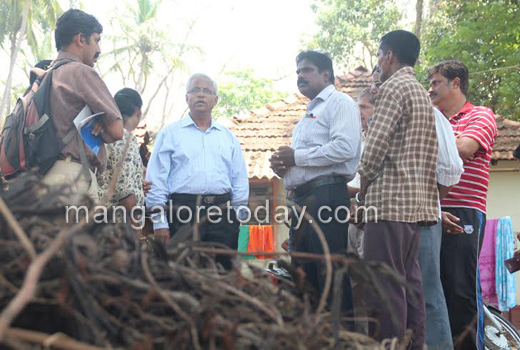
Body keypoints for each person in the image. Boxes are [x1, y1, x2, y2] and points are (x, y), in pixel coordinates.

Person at [356, 30, 438, 349]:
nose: (378, 62)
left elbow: (374, 150)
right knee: (410, 288)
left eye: (379, 56)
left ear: (389, 56)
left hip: (388, 204)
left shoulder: (393, 88)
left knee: (384, 287)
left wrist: (362, 196)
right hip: (414, 209)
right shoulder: (420, 92)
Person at [269, 50, 361, 312]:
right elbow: (303, 164)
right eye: (298, 71)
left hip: (326, 196)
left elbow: (344, 148)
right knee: (302, 274)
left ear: (325, 74)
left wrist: (295, 156)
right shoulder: (305, 116)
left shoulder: (340, 102)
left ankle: (340, 340)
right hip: (301, 200)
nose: (300, 76)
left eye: (306, 70)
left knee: (329, 272)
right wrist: (283, 168)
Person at [145, 73, 249, 269]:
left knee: (223, 272)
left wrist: (238, 217)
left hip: (223, 212)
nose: (201, 95)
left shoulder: (228, 137)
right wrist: (159, 222)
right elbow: (156, 179)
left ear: (215, 100)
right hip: (182, 211)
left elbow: (239, 178)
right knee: (183, 272)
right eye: (195, 90)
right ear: (187, 98)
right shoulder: (170, 134)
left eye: (207, 91)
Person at [428, 60, 498, 350]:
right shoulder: (433, 119)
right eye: (429, 83)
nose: (430, 88)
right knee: (434, 289)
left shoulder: (481, 115)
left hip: (464, 211)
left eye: (436, 82)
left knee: (460, 289)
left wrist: (431, 140)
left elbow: (465, 148)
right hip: (430, 210)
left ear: (456, 83)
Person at [44, 9, 123, 202]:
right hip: (73, 177)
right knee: (78, 232)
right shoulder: (80, 72)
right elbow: (117, 131)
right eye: (96, 40)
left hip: (45, 176)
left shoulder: (46, 76)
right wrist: (102, 125)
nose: (99, 50)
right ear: (81, 39)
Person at [97, 88, 145, 236]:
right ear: (138, 112)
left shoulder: (104, 134)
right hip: (119, 225)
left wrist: (139, 184)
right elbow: (124, 189)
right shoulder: (125, 138)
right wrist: (136, 229)